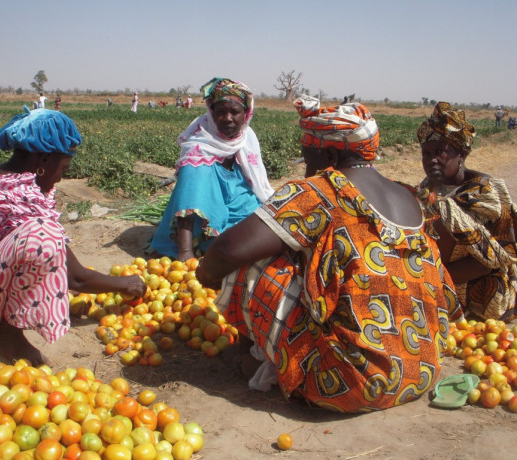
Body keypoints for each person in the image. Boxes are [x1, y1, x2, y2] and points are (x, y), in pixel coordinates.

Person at [196, 96, 462, 413]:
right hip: (422, 371)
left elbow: (227, 250)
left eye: (307, 152)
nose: (304, 159)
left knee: (252, 261)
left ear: (330, 152)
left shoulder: (320, 191)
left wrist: (205, 276)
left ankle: (270, 362)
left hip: (348, 384)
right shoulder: (410, 194)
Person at [0, 107, 146, 365]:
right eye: (63, 168)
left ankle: (2, 331)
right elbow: (76, 278)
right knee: (42, 235)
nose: (60, 178)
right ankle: (6, 337)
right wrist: (127, 285)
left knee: (35, 244)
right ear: (44, 161)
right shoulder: (14, 193)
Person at [148, 77, 274, 262]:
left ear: (246, 114)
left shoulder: (247, 139)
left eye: (235, 112)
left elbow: (255, 183)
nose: (228, 118)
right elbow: (190, 197)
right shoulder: (199, 146)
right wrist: (185, 254)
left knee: (261, 228)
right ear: (211, 112)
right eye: (221, 112)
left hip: (235, 200)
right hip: (205, 218)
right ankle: (188, 245)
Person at [418, 102, 517, 321]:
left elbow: (489, 261)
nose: (431, 159)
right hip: (439, 278)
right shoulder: (429, 187)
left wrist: (428, 279)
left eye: (440, 152)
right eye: (426, 153)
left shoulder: (486, 192)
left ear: (461, 153)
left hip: (482, 286)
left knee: (441, 214)